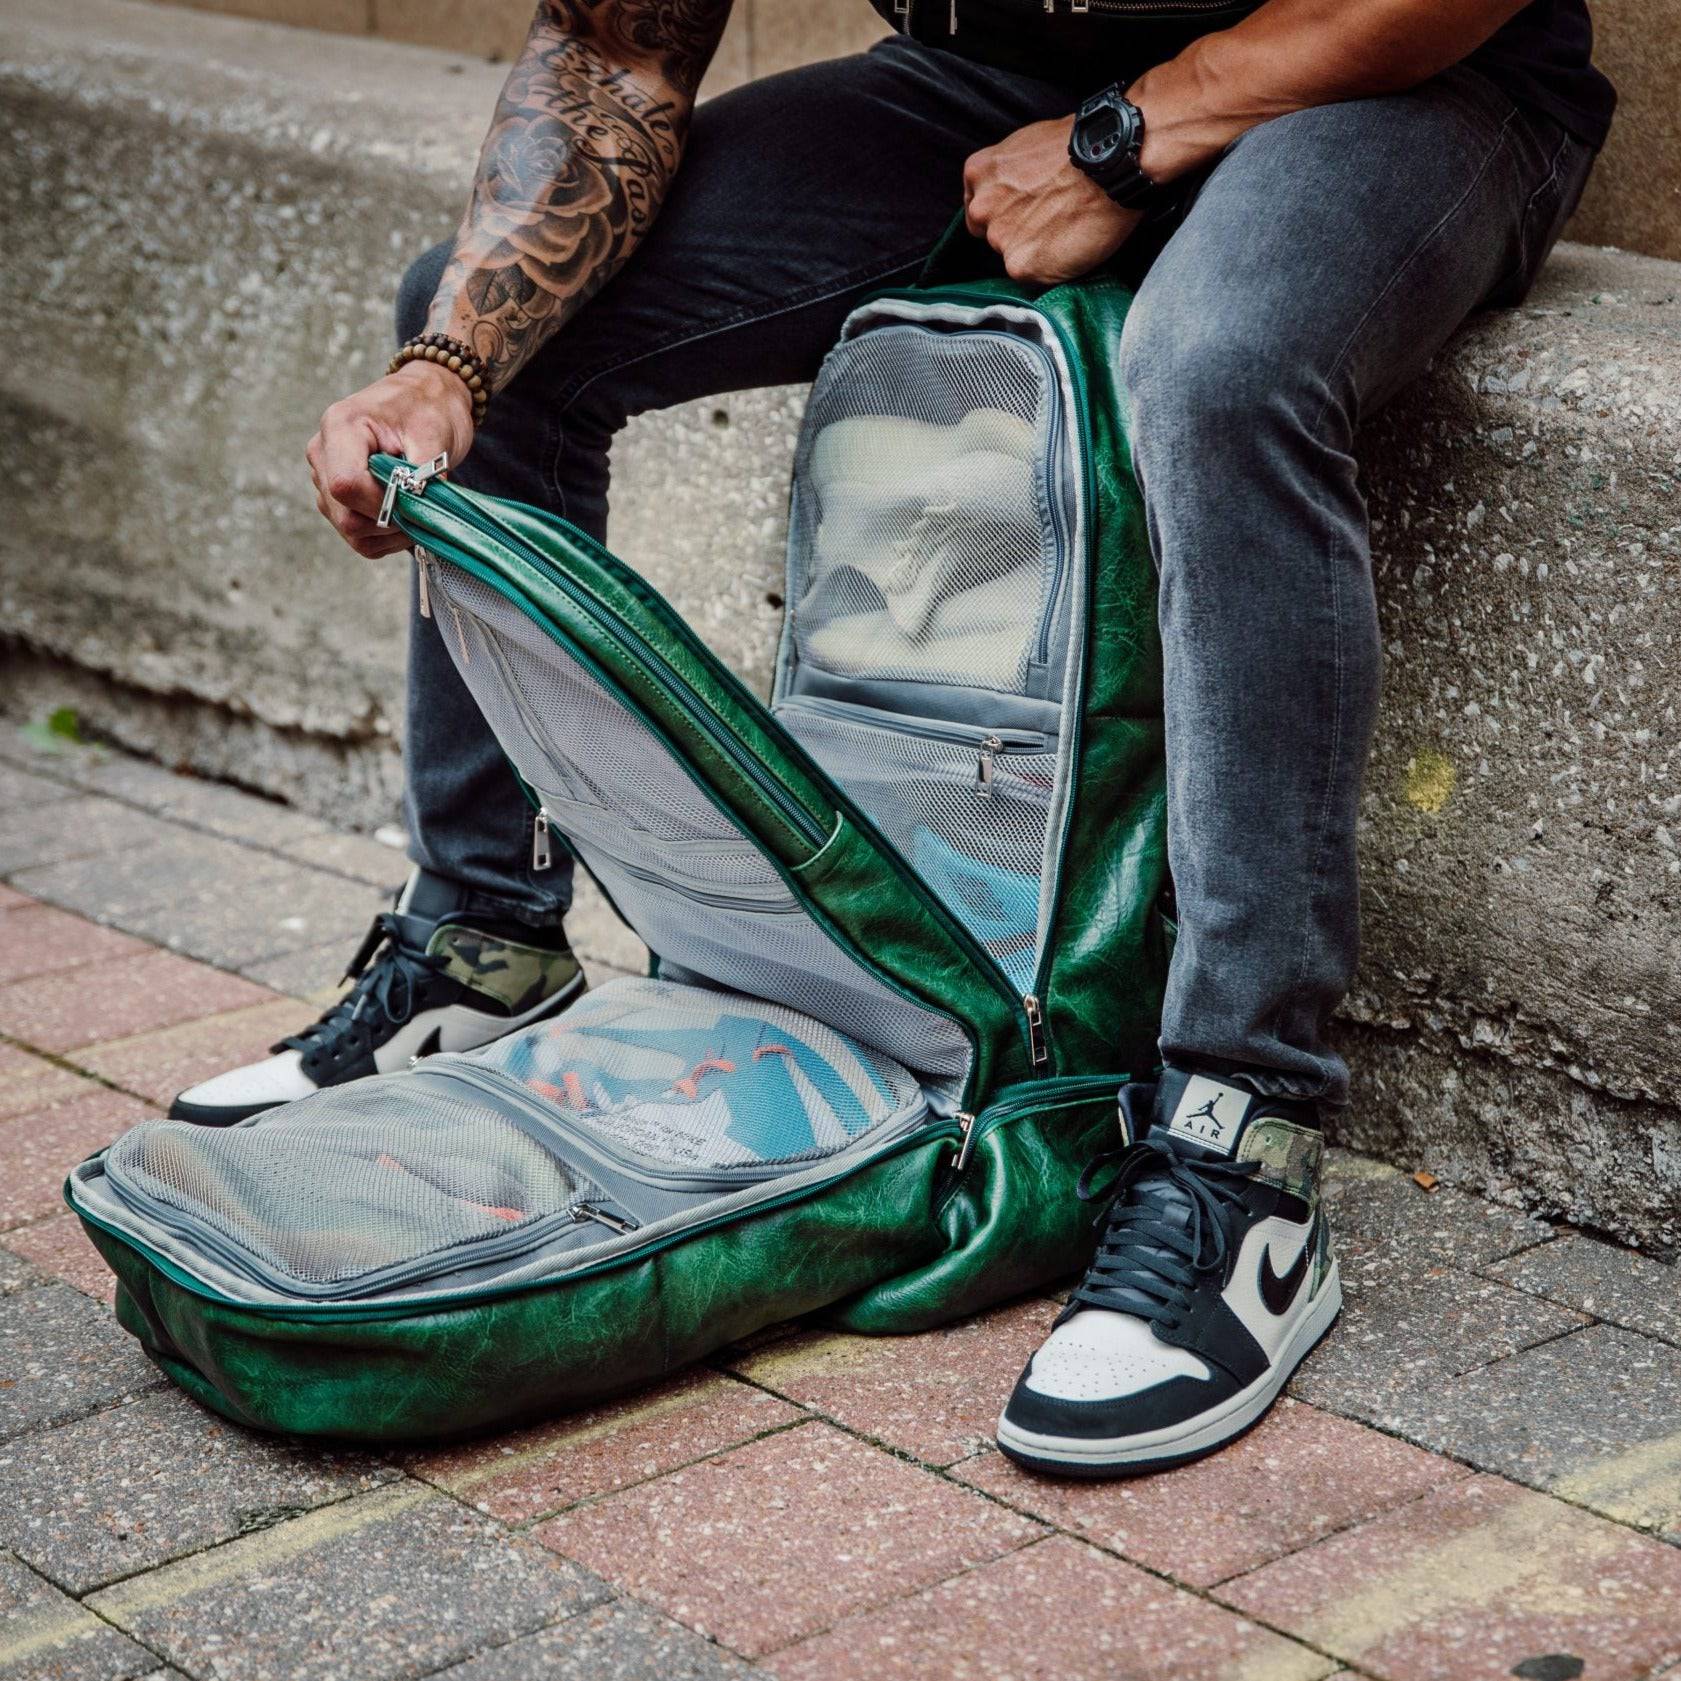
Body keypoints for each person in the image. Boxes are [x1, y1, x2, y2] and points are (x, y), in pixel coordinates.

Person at [173, 0, 1612, 1474]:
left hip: (1399, 80)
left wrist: (1122, 142)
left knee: (1214, 365)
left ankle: (1244, 1141)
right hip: (1000, 89)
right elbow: (613, 51)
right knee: (498, 328)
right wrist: (445, 363)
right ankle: (484, 946)